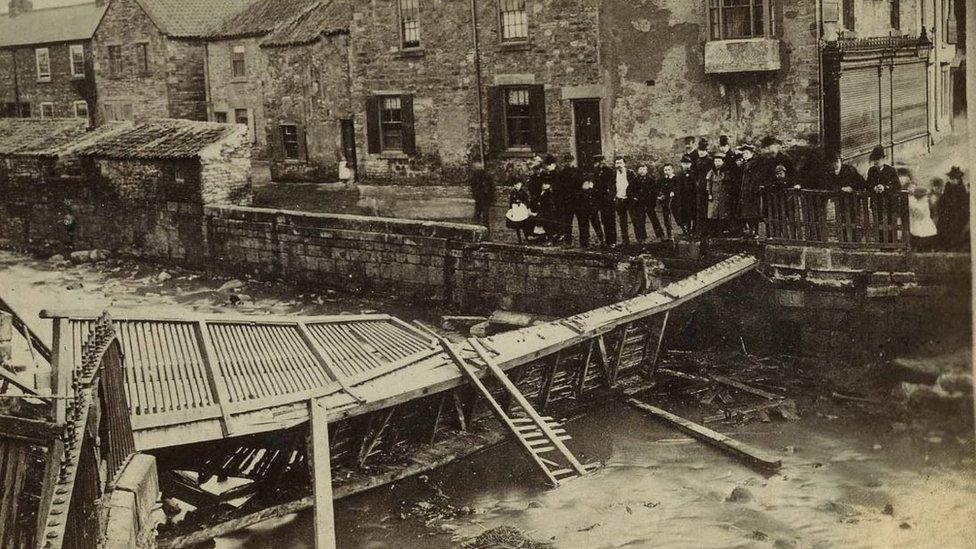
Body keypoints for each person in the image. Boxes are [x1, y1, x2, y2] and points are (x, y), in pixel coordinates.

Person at [938, 166, 970, 251]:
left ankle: (955, 247)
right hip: (947, 214)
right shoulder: (947, 187)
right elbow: (942, 201)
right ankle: (946, 247)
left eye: (956, 179)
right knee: (945, 230)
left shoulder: (961, 189)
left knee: (956, 231)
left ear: (959, 179)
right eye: (952, 178)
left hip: (957, 215)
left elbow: (964, 204)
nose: (954, 180)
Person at [611, 156, 639, 246]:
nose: (619, 165)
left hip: (629, 199)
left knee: (635, 219)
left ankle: (639, 239)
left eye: (620, 163)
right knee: (622, 221)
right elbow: (611, 186)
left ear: (624, 164)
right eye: (617, 163)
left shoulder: (630, 173)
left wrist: (634, 197)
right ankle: (625, 241)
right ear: (615, 165)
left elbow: (636, 185)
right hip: (619, 199)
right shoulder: (614, 174)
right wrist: (613, 196)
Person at [572, 176, 605, 248]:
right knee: (583, 225)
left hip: (593, 208)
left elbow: (598, 197)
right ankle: (584, 243)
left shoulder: (595, 187)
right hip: (582, 208)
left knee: (596, 224)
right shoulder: (579, 188)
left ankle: (602, 241)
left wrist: (595, 207)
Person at [737, 145, 763, 236]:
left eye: (747, 153)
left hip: (752, 192)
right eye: (743, 153)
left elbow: (756, 178)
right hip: (745, 192)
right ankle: (750, 230)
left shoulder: (755, 164)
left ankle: (756, 232)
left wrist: (754, 190)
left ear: (752, 154)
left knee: (754, 212)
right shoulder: (745, 164)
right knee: (747, 213)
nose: (745, 155)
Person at [592, 155, 617, 245]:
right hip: (600, 199)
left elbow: (612, 185)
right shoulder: (596, 171)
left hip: (608, 199)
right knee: (604, 220)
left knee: (610, 220)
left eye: (597, 162)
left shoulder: (609, 171)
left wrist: (610, 195)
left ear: (602, 162)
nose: (596, 164)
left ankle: (613, 241)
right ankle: (607, 240)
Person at [555, 152, 579, 243]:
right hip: (567, 201)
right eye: (566, 161)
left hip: (576, 200)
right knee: (567, 221)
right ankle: (568, 240)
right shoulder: (561, 173)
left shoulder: (577, 171)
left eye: (570, 161)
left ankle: (584, 241)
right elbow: (559, 187)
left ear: (572, 161)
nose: (568, 163)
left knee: (581, 221)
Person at [631, 163, 659, 241]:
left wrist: (653, 203)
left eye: (644, 169)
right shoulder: (634, 181)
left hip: (649, 203)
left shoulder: (651, 180)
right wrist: (634, 198)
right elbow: (629, 191)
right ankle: (643, 237)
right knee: (641, 220)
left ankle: (660, 235)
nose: (642, 171)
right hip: (639, 204)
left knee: (654, 219)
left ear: (646, 170)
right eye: (640, 169)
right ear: (637, 171)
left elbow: (654, 192)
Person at [705, 154, 731, 236]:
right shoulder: (711, 172)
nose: (717, 163)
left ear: (723, 162)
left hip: (723, 195)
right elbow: (708, 184)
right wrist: (709, 193)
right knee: (713, 213)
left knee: (722, 213)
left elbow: (728, 184)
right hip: (714, 195)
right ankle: (713, 232)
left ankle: (721, 231)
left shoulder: (726, 171)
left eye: (719, 161)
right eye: (716, 161)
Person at [908, 185, 938, 251]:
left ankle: (927, 249)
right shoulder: (918, 205)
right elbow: (920, 213)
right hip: (920, 224)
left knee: (927, 237)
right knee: (921, 237)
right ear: (920, 197)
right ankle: (920, 249)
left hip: (925, 223)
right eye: (925, 196)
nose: (927, 198)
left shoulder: (924, 203)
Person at [675, 154, 697, 236]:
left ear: (690, 164)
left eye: (687, 163)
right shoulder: (679, 174)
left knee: (693, 214)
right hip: (682, 198)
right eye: (684, 163)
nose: (686, 165)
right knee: (684, 214)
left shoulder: (693, 173)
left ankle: (694, 230)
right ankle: (686, 230)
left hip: (692, 197)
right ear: (681, 164)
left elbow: (695, 185)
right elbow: (677, 186)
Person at [469, 162, 495, 231]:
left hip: (484, 198)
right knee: (479, 214)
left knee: (483, 215)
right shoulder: (476, 177)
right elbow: (473, 187)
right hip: (481, 198)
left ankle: (484, 229)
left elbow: (492, 188)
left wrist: (491, 197)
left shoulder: (486, 177)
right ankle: (477, 229)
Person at [657, 163, 677, 240]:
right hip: (665, 200)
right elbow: (658, 188)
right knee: (666, 217)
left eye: (669, 170)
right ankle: (670, 234)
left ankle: (684, 229)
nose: (667, 171)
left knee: (677, 216)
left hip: (674, 200)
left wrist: (673, 191)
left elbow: (677, 187)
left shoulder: (675, 178)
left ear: (672, 170)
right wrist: (659, 195)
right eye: (665, 170)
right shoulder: (662, 179)